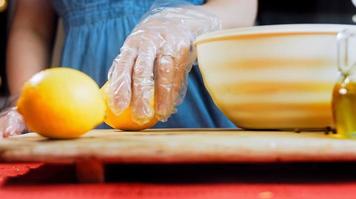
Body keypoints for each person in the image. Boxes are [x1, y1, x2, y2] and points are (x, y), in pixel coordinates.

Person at [0, 0, 257, 138]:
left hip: (193, 87)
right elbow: (31, 28)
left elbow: (240, 7)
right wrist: (26, 102)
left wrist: (186, 22)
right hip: (81, 110)